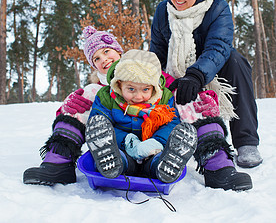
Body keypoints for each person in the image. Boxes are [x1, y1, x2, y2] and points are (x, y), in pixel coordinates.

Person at [149, 0, 263, 169]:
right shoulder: (163, 11)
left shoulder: (217, 8)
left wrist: (196, 74)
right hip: (177, 77)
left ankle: (246, 142)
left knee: (236, 60)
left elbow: (218, 47)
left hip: (209, 74)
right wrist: (154, 77)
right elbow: (157, 53)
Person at [85, 49, 252, 191]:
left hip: (153, 152)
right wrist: (126, 141)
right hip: (123, 151)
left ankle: (168, 166)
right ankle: (111, 163)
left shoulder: (163, 97)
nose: (138, 96)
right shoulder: (106, 96)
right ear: (119, 84)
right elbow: (99, 124)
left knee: (159, 160)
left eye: (145, 89)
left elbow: (171, 123)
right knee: (118, 157)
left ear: (155, 86)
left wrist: (156, 142)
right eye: (131, 89)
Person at [23, 26, 123, 185]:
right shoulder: (96, 89)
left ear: (119, 51)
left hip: (145, 129)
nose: (103, 59)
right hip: (115, 136)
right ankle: (59, 163)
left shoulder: (142, 68)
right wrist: (66, 107)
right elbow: (72, 115)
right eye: (96, 58)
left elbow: (165, 84)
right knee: (90, 93)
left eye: (106, 51)